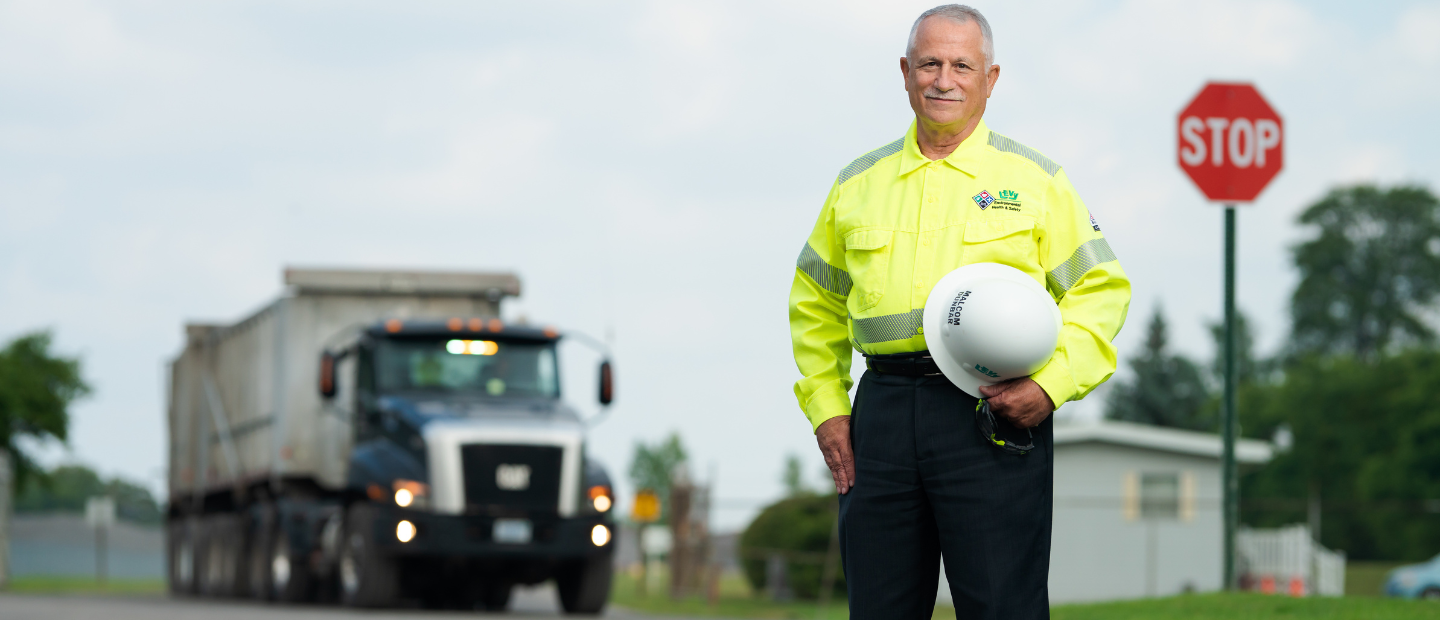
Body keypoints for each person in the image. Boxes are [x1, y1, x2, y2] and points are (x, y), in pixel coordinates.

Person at [787, 5, 1131, 618]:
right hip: (882, 420)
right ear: (905, 72)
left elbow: (1101, 290)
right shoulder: (855, 184)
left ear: (990, 79)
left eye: (962, 65)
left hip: (993, 414)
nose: (943, 79)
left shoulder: (1036, 181)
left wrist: (1051, 387)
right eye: (929, 63)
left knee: (1004, 607)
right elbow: (814, 303)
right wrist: (828, 409)